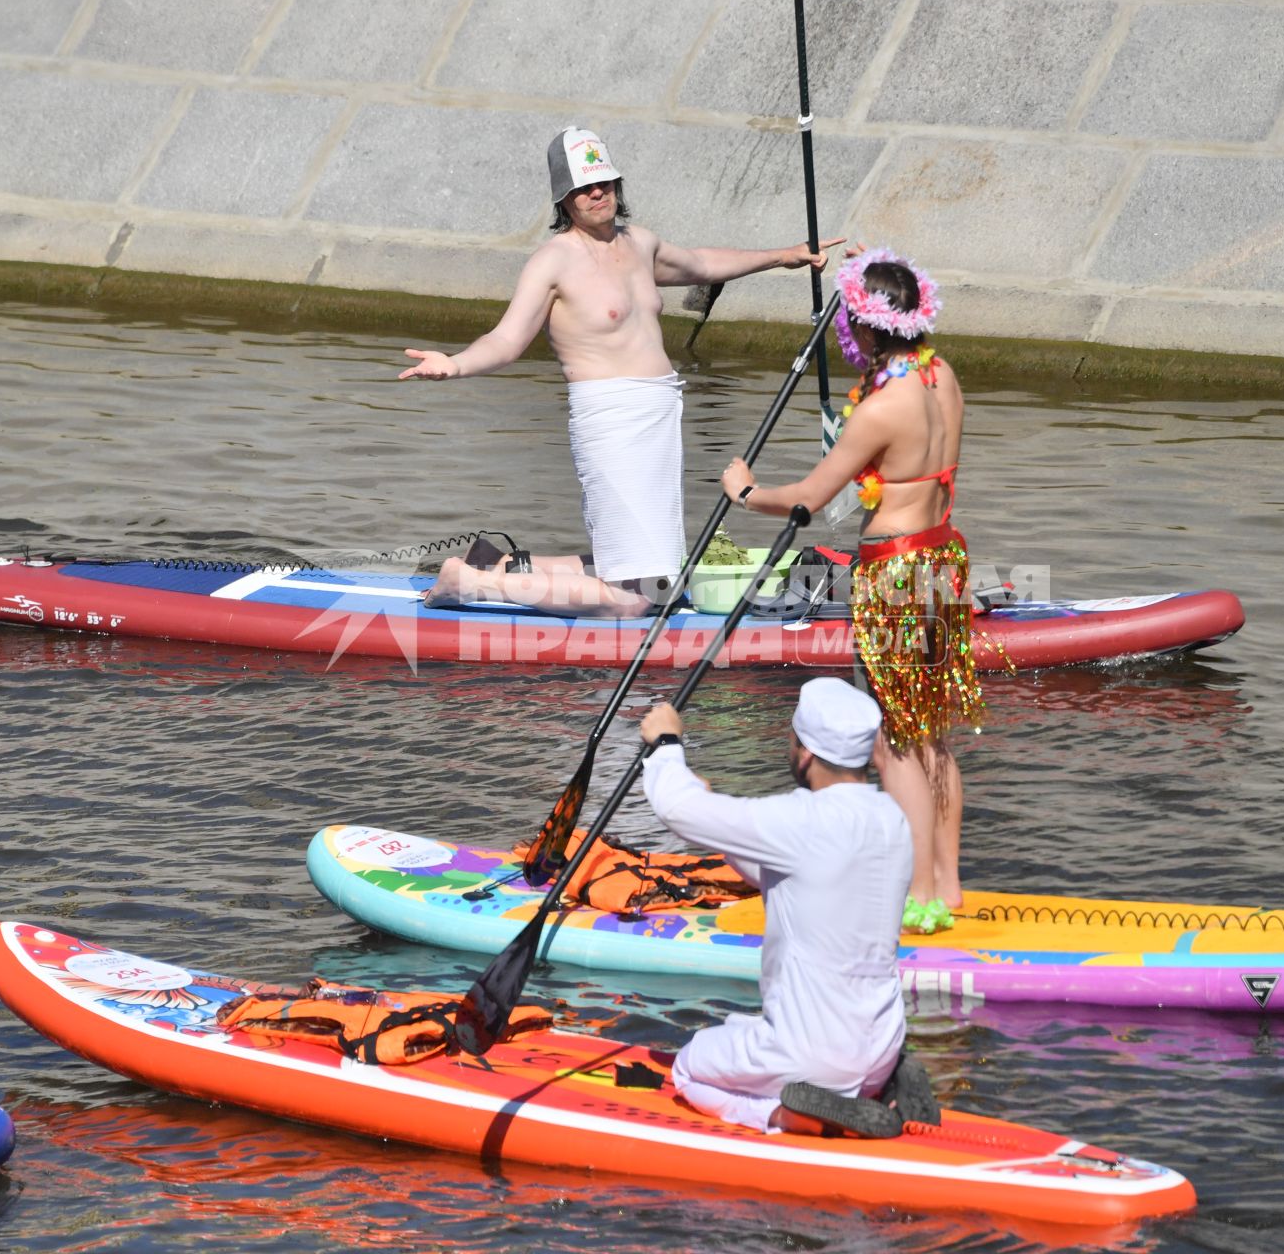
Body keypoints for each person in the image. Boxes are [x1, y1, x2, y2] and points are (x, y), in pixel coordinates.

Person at [400, 126, 841, 618]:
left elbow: (701, 263)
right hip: (610, 421)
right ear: (564, 199)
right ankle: (471, 582)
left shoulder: (639, 244)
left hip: (659, 415)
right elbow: (507, 340)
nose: (597, 192)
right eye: (584, 187)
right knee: (637, 601)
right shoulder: (553, 262)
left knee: (661, 577)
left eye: (604, 181)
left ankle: (499, 564)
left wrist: (783, 256)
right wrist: (453, 364)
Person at [720, 248, 986, 934]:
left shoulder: (881, 408)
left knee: (896, 741)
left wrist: (747, 493)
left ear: (866, 330)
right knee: (932, 733)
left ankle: (917, 892)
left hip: (895, 572)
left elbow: (809, 497)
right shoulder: (943, 377)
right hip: (942, 560)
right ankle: (949, 883)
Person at [640, 678, 931, 1137]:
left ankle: (783, 1115)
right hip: (883, 1045)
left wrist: (666, 741)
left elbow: (674, 806)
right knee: (760, 1034)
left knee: (690, 1066)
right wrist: (718, 821)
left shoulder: (797, 821)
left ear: (806, 753)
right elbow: (792, 874)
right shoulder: (890, 819)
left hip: (815, 1057)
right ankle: (884, 1086)